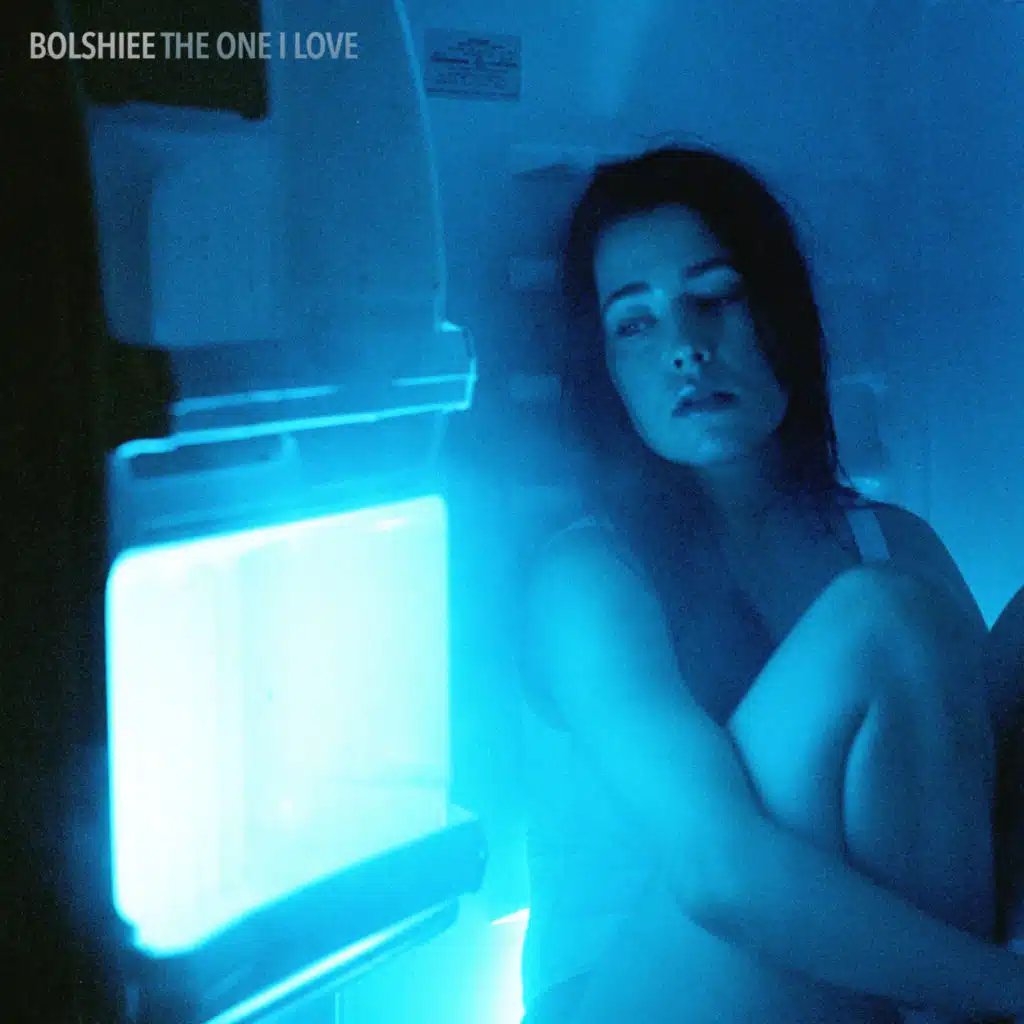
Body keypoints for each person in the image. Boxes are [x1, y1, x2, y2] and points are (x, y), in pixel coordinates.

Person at [518, 145, 1024, 1023]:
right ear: (608, 371)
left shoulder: (891, 539)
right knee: (883, 620)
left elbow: (975, 808)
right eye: (635, 323)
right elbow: (720, 876)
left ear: (780, 317)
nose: (685, 349)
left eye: (715, 298)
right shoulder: (588, 579)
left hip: (865, 987)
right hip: (625, 995)